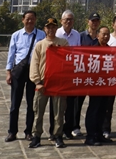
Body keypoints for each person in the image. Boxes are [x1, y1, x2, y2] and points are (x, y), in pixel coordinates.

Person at [6, 10, 45, 142]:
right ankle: (12, 132)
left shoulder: (41, 34)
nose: (30, 21)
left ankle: (28, 131)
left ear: (35, 20)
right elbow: (11, 54)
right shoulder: (16, 35)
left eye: (32, 18)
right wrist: (8, 72)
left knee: (31, 103)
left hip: (34, 72)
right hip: (19, 71)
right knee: (14, 104)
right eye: (27, 18)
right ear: (23, 20)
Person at [28, 17, 68, 149]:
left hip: (58, 82)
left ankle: (58, 136)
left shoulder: (63, 43)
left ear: (57, 28)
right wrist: (37, 81)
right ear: (45, 29)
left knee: (58, 111)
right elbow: (35, 64)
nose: (51, 29)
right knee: (38, 110)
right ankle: (37, 136)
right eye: (48, 27)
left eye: (53, 27)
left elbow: (68, 61)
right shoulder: (40, 44)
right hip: (43, 81)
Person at [71, 12, 100, 138]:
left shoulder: (100, 37)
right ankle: (75, 126)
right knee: (78, 102)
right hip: (82, 74)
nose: (94, 23)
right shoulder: (81, 36)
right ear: (88, 22)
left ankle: (94, 127)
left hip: (96, 76)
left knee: (95, 104)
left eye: (97, 21)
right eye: (92, 21)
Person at [54, 10, 80, 140]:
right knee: (57, 104)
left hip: (71, 73)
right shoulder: (56, 33)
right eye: (66, 19)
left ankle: (68, 129)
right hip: (58, 73)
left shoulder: (76, 35)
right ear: (61, 20)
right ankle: (55, 130)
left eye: (71, 19)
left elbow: (80, 52)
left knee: (71, 105)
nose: (68, 22)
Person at [84, 27, 111, 146]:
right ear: (98, 35)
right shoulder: (93, 49)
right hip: (95, 85)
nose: (105, 37)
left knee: (102, 110)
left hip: (106, 85)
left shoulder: (110, 50)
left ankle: (99, 134)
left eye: (107, 34)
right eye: (103, 34)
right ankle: (90, 136)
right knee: (93, 110)